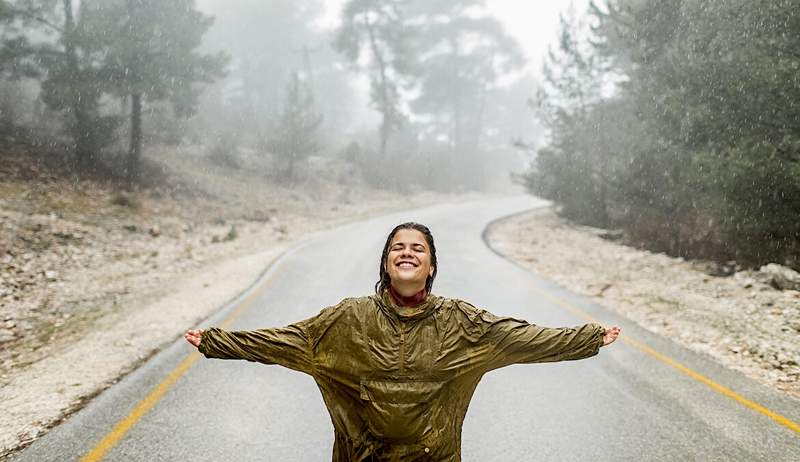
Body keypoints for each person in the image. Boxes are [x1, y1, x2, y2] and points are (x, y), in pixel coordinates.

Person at [185, 222, 621, 461]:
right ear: (386, 264)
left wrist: (588, 338)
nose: (407, 252)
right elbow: (286, 341)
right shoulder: (348, 319)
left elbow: (522, 338)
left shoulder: (462, 324)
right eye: (398, 247)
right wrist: (216, 341)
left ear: (431, 266)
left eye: (418, 248)